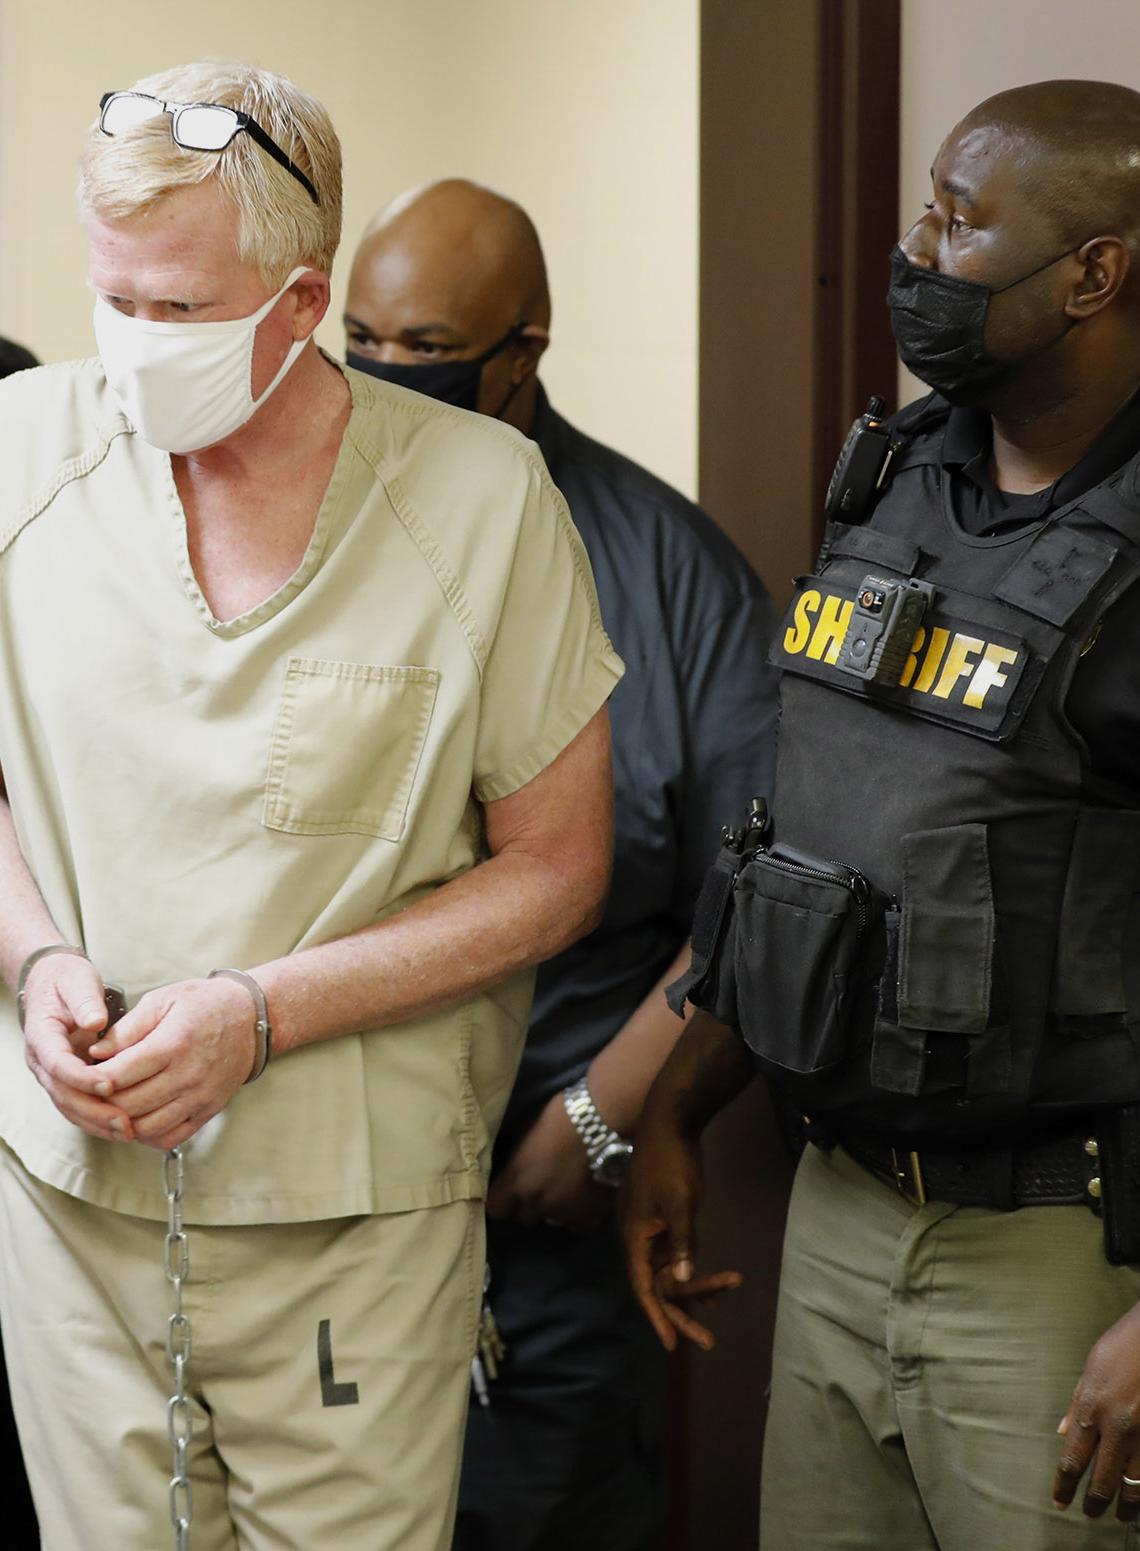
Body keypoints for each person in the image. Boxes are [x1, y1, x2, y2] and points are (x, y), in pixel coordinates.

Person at [621, 79, 1140, 1548]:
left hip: (1091, 1257)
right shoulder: (898, 477)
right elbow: (817, 842)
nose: (917, 250)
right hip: (841, 1221)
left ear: (1094, 273)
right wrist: (680, 1102)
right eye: (924, 209)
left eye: (959, 219)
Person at [0, 60, 623, 1550]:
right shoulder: (13, 453)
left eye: (177, 312)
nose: (131, 346)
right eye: (113, 300)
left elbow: (556, 870)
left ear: (302, 305)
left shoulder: (482, 505)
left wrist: (260, 1012)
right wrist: (34, 960)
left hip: (347, 1216)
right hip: (72, 1186)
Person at [343, 178, 779, 1550]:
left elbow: (756, 898)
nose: (383, 374)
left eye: (423, 347)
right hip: (326, 1201)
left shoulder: (666, 570)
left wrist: (594, 1122)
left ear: (521, 353)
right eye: (359, 337)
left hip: (543, 1223)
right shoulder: (299, 532)